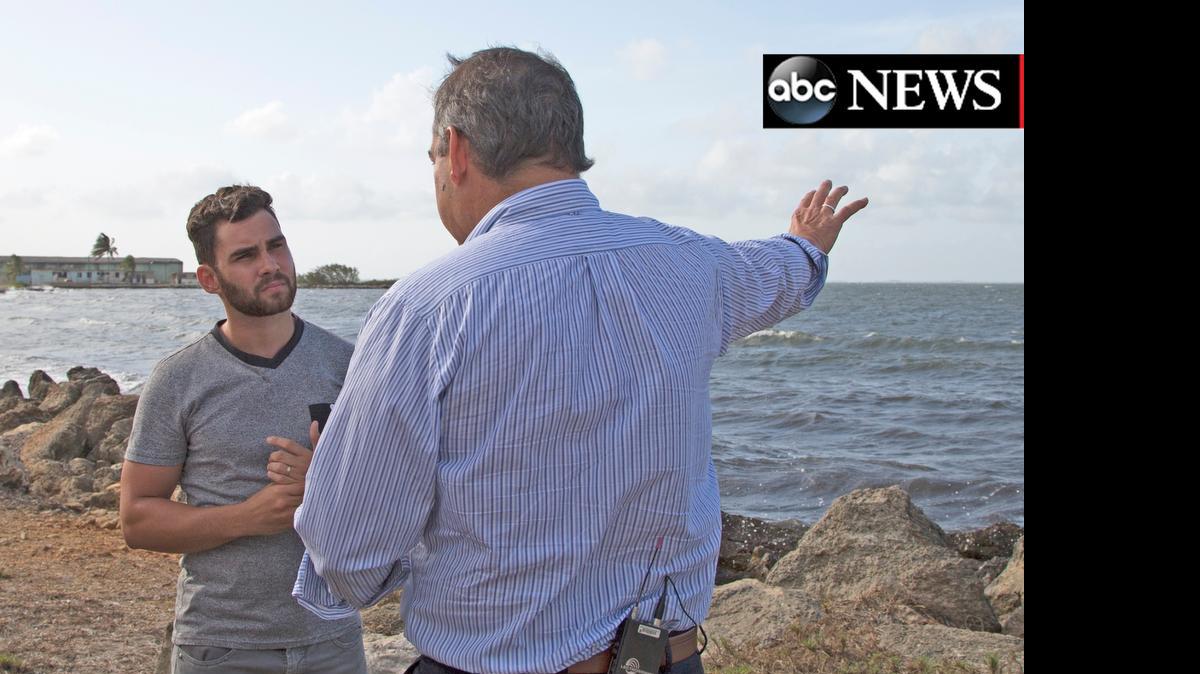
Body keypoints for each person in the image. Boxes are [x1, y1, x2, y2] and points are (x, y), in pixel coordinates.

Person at [294, 47, 867, 674]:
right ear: (567, 145)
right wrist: (806, 246)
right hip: (663, 662)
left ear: (455, 152)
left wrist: (345, 486)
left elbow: (348, 557)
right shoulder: (692, 267)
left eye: (432, 158)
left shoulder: (426, 309)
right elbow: (779, 274)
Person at [119, 185, 367, 673]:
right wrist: (249, 516)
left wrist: (325, 484)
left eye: (276, 245)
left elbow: (400, 495)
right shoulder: (179, 378)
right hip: (220, 646)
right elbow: (137, 519)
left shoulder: (350, 365)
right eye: (246, 255)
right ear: (209, 279)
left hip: (333, 640)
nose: (270, 264)